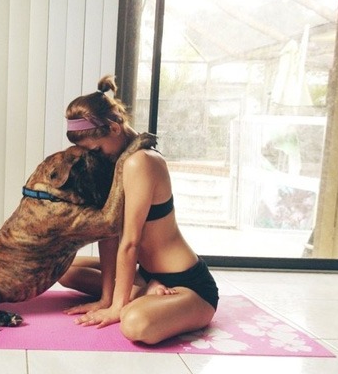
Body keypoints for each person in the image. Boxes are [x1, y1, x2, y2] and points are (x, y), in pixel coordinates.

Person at [58, 75, 219, 345]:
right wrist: (106, 299)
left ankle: (142, 296)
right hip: (146, 273)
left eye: (96, 149)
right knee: (64, 270)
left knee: (134, 324)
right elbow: (109, 235)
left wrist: (117, 309)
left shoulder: (141, 162)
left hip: (186, 284)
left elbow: (130, 242)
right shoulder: (117, 162)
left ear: (113, 128)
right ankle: (145, 289)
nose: (94, 157)